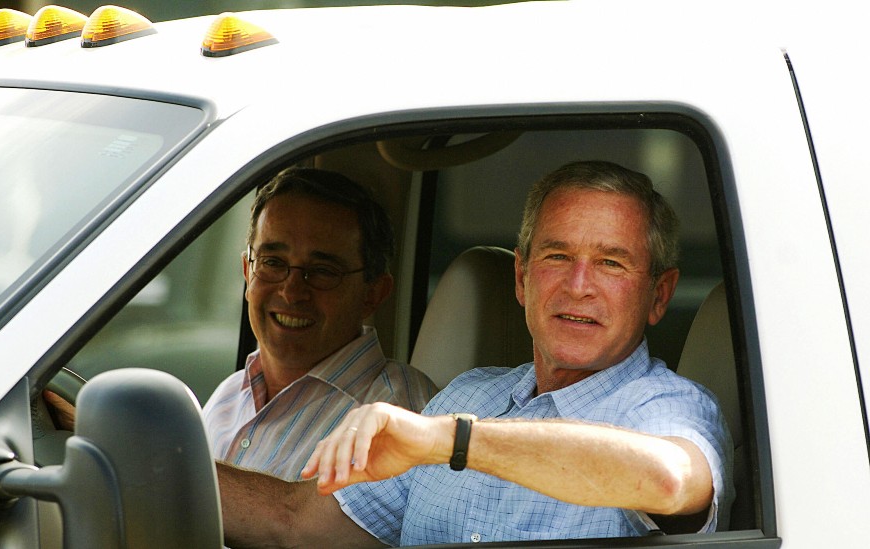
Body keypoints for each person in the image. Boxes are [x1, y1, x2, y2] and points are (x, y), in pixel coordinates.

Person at [215, 160, 733, 546]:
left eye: (611, 264)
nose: (579, 286)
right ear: (522, 278)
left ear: (658, 296)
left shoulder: (666, 406)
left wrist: (451, 440)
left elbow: (670, 479)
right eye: (557, 256)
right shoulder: (467, 394)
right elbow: (293, 522)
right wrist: (149, 465)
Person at [46, 167, 437, 481]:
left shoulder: (398, 413)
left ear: (373, 293)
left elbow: (293, 527)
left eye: (322, 271)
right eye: (272, 261)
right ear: (247, 270)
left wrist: (116, 445)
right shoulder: (231, 396)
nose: (291, 290)